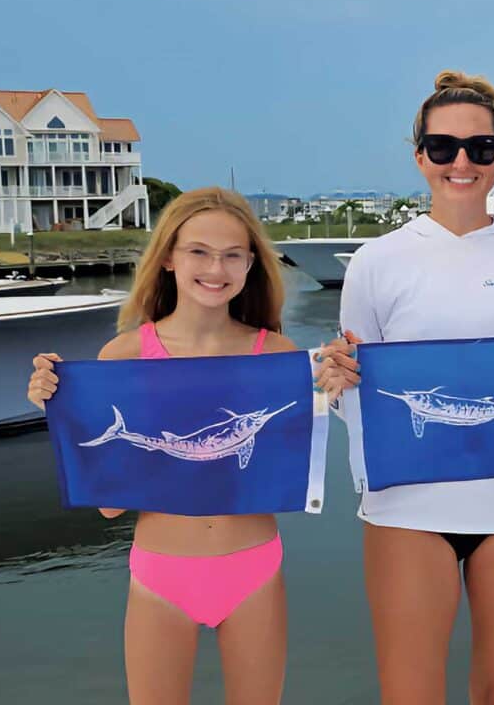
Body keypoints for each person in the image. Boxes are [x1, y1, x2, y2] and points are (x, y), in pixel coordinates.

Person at [317, 70, 494, 705]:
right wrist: (336, 383)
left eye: (480, 147)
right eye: (443, 147)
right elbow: (350, 399)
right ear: (420, 156)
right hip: (405, 508)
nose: (461, 162)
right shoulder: (375, 262)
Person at [27, 187, 298, 705]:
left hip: (254, 566)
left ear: (250, 266)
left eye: (232, 254)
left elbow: (288, 461)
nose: (215, 267)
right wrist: (60, 409)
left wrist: (335, 385)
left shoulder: (277, 354)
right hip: (160, 572)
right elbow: (109, 502)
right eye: (198, 250)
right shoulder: (124, 353)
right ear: (169, 257)